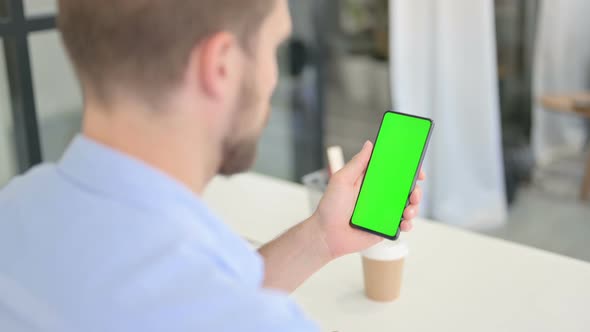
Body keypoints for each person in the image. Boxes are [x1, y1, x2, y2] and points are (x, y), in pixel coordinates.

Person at [0, 0, 425, 331]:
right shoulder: (240, 317)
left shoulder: (14, 209)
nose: (274, 78)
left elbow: (201, 295)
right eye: (273, 48)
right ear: (220, 66)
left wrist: (320, 237)